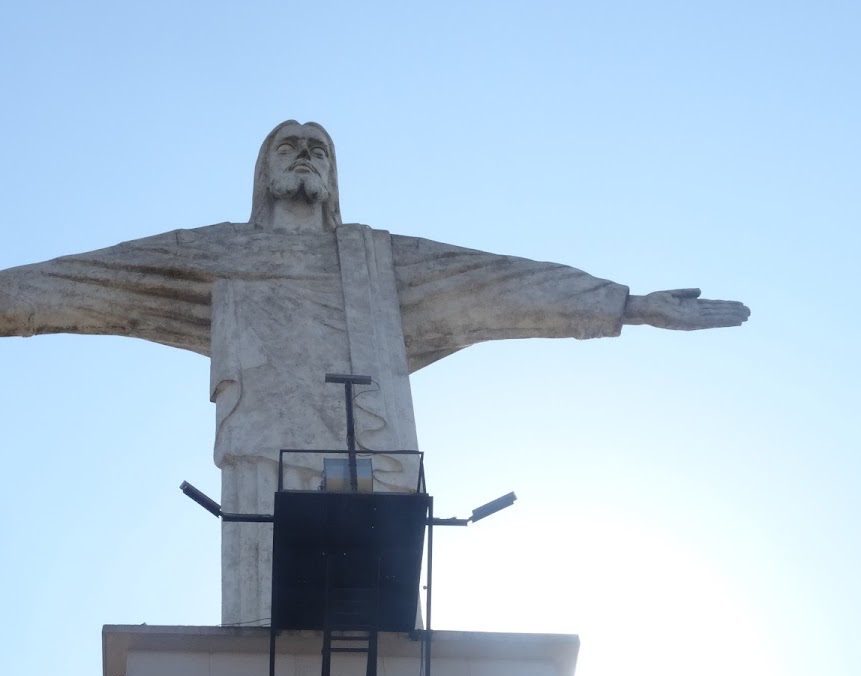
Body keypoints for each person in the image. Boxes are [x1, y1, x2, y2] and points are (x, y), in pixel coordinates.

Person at [0, 120, 750, 625]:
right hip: (262, 451)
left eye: (319, 148)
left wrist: (625, 304)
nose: (304, 155)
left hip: (376, 445)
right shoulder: (221, 252)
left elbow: (495, 283)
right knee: (263, 629)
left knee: (383, 635)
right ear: (261, 173)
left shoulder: (377, 260)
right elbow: (101, 280)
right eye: (288, 146)